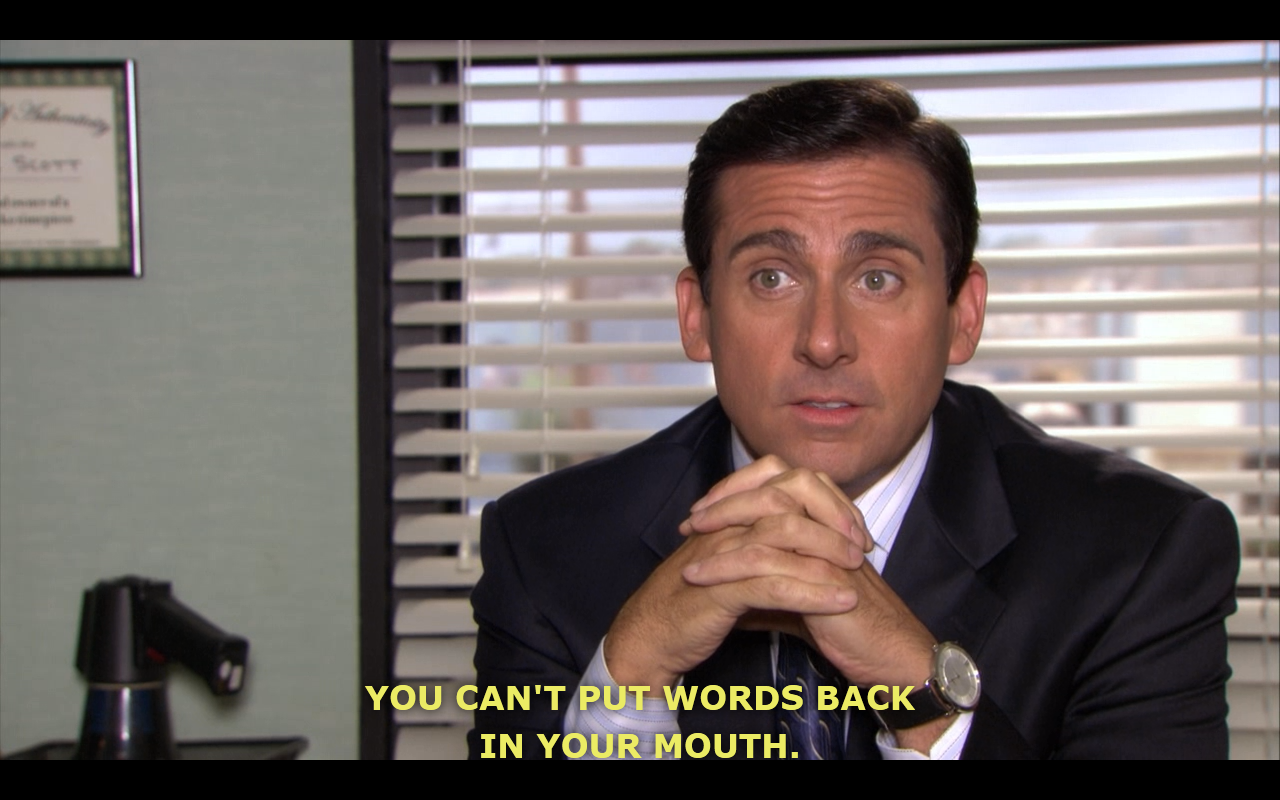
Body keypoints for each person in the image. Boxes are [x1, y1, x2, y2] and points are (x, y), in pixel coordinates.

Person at [468, 79, 1238, 759]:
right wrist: (623, 685)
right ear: (697, 316)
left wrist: (921, 694)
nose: (824, 340)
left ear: (962, 316)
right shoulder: (545, 551)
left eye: (878, 279)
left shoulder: (1140, 554)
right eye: (772, 277)